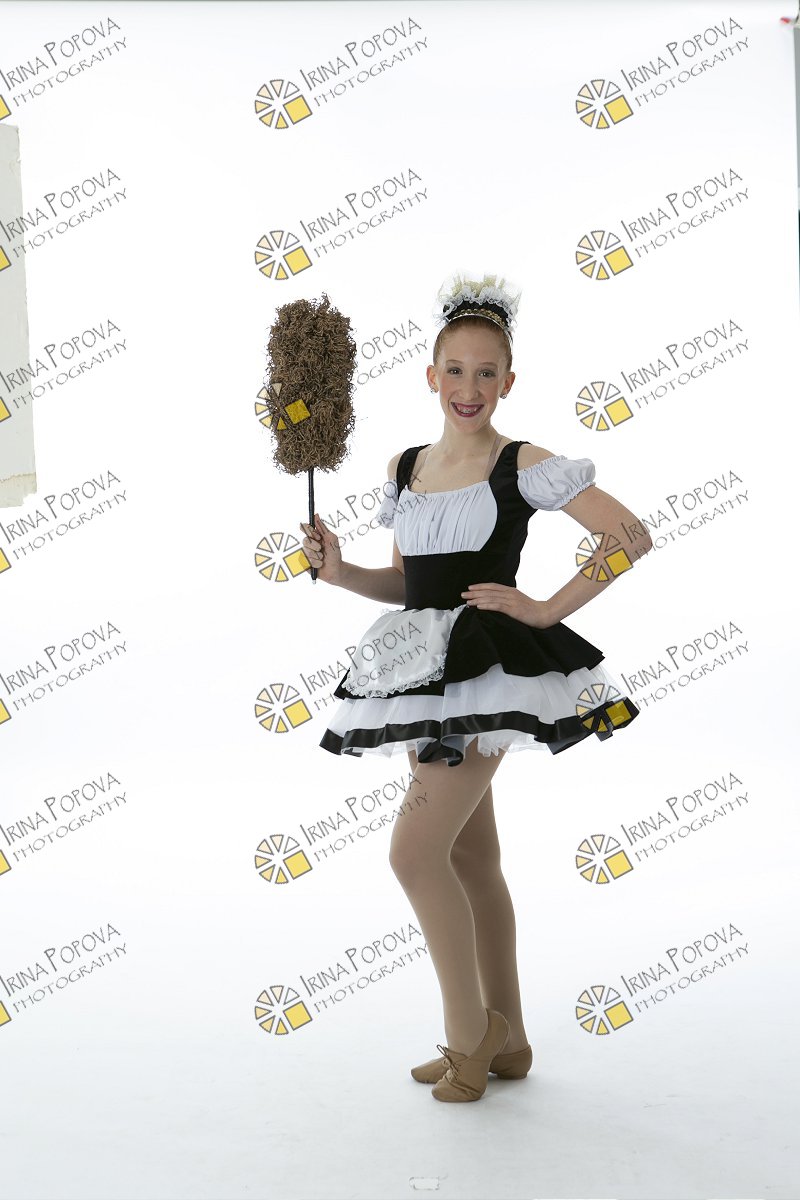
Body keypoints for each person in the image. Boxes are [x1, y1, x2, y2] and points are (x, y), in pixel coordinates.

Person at [299, 271, 653, 1104]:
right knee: (468, 856)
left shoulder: (520, 464)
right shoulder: (407, 467)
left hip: (487, 670)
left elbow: (629, 534)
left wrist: (544, 607)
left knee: (413, 853)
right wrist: (340, 571)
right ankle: (511, 1038)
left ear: (508, 381)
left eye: (486, 372)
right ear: (431, 375)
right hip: (420, 670)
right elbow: (408, 585)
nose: (469, 387)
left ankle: (469, 1039)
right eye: (455, 370)